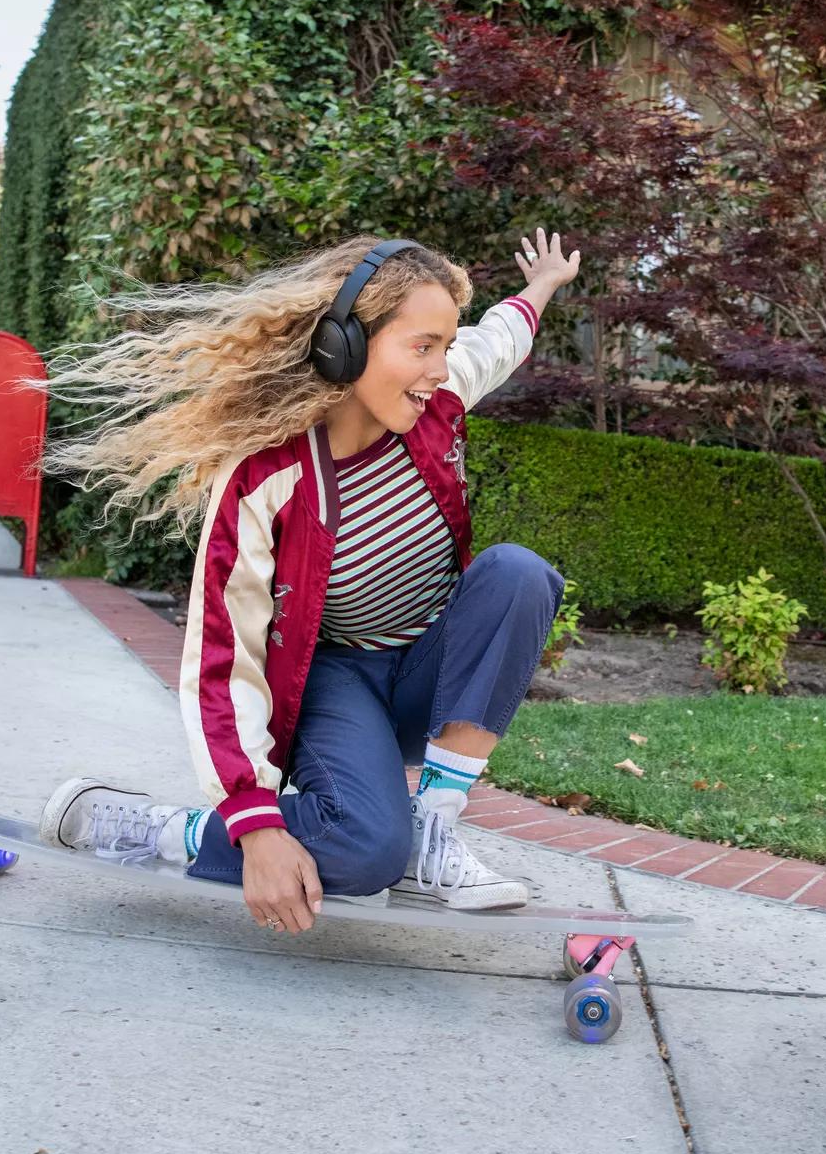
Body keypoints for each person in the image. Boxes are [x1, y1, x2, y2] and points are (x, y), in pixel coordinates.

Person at [29, 228, 582, 933]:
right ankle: (167, 830)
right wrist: (256, 826)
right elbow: (224, 662)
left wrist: (542, 286)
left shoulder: (437, 402)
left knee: (518, 575)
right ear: (345, 345)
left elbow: (498, 339)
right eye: (422, 345)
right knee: (364, 848)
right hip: (334, 683)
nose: (442, 367)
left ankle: (435, 831)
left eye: (445, 346)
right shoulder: (265, 478)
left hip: (425, 673)